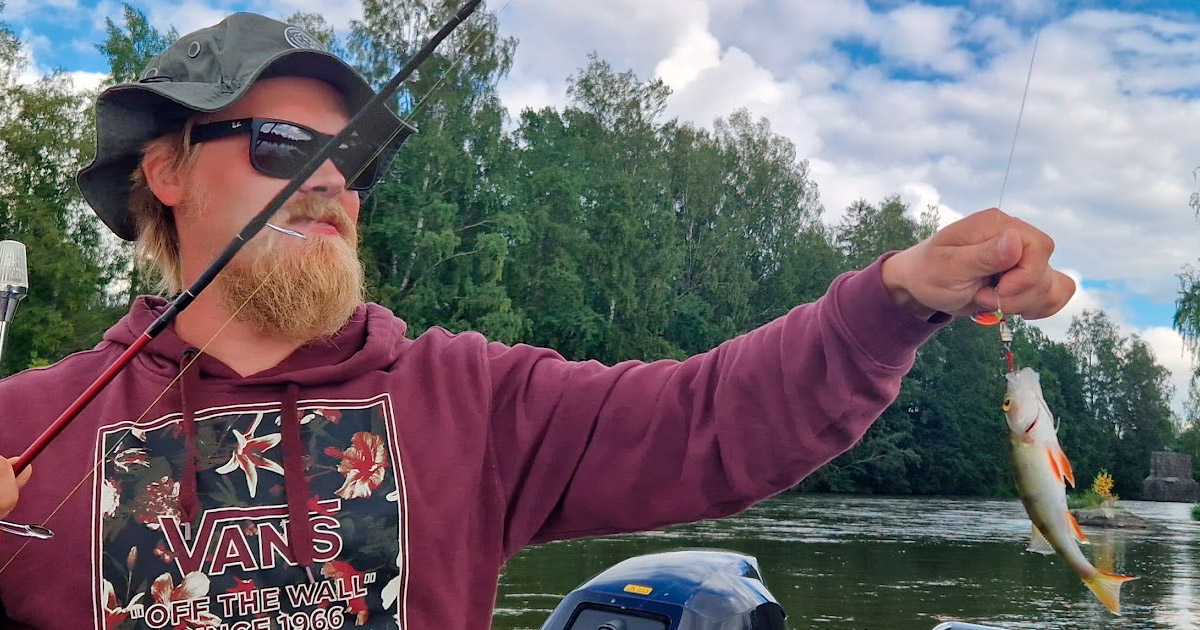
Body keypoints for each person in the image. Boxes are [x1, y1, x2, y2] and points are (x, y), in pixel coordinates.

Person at [0, 12, 1074, 630]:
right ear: (167, 173)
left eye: (353, 159)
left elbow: (712, 421)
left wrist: (898, 294)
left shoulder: (473, 398)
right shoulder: (20, 428)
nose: (331, 181)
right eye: (285, 145)